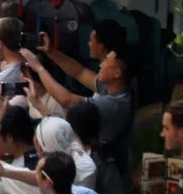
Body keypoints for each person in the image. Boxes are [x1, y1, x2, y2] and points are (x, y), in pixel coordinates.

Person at [26, 48, 134, 181]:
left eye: (106, 61)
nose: (101, 64)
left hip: (103, 172)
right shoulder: (112, 88)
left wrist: (39, 69)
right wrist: (51, 52)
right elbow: (80, 72)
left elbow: (67, 100)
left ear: (117, 73)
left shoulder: (114, 104)